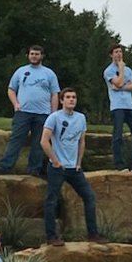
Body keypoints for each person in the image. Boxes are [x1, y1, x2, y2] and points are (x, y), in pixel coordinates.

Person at [40, 88, 108, 247]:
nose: (71, 99)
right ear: (62, 100)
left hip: (74, 169)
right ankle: (51, 236)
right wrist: (55, 161)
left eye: (74, 97)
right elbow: (44, 141)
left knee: (89, 197)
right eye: (68, 97)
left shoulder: (81, 118)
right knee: (51, 201)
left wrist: (79, 162)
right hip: (57, 168)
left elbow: (81, 141)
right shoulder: (54, 118)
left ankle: (93, 234)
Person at [0, 46, 60, 176]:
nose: (34, 56)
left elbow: (55, 94)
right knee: (16, 140)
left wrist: (53, 114)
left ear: (42, 56)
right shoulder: (21, 71)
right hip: (23, 112)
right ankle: (5, 167)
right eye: (32, 54)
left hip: (43, 114)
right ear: (28, 56)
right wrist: (15, 104)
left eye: (37, 54)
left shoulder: (49, 73)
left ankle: (34, 170)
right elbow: (11, 89)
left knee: (39, 143)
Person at [103, 44, 132, 171]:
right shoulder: (109, 71)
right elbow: (119, 82)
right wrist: (121, 69)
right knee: (118, 136)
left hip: (129, 106)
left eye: (120, 52)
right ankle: (119, 164)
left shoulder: (129, 70)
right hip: (117, 107)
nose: (119, 54)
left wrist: (121, 87)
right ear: (111, 55)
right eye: (116, 52)